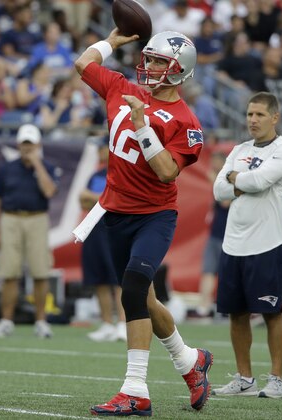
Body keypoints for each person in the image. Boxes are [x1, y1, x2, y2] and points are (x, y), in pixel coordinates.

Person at [74, 29, 213, 416]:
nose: (148, 66)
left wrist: (142, 126)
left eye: (158, 62)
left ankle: (135, 389)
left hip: (154, 215)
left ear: (180, 71)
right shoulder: (121, 88)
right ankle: (190, 362)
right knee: (145, 299)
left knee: (133, 288)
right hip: (116, 213)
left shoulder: (186, 120)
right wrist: (111, 42)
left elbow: (167, 171)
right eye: (148, 58)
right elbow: (84, 64)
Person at [212, 92, 282, 398]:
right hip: (234, 244)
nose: (252, 120)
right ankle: (244, 379)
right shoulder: (238, 149)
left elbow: (258, 182)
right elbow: (218, 190)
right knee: (236, 313)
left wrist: (237, 179)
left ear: (275, 117)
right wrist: (239, 181)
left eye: (260, 115)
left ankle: (277, 380)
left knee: (272, 313)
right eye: (250, 114)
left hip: (268, 244)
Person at [0, 124, 58, 339]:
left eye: (31, 144)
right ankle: (6, 320)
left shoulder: (46, 166)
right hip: (10, 219)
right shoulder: (6, 168)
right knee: (9, 273)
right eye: (24, 144)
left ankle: (41, 321)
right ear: (18, 144)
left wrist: (37, 164)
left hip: (37, 218)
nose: (27, 148)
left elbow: (49, 191)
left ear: (37, 145)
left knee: (40, 272)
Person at [80, 136, 126, 342]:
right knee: (99, 279)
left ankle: (123, 325)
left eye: (102, 147)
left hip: (114, 230)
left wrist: (95, 197)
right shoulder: (96, 175)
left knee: (118, 280)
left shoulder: (123, 172)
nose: (99, 151)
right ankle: (107, 324)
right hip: (94, 230)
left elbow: (115, 200)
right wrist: (100, 197)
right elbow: (82, 200)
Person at [196, 150, 230, 319]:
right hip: (215, 233)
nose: (213, 166)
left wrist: (214, 181)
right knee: (208, 269)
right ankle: (204, 305)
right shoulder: (219, 181)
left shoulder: (230, 180)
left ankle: (227, 306)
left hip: (228, 236)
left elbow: (226, 202)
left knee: (228, 272)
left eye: (217, 161)